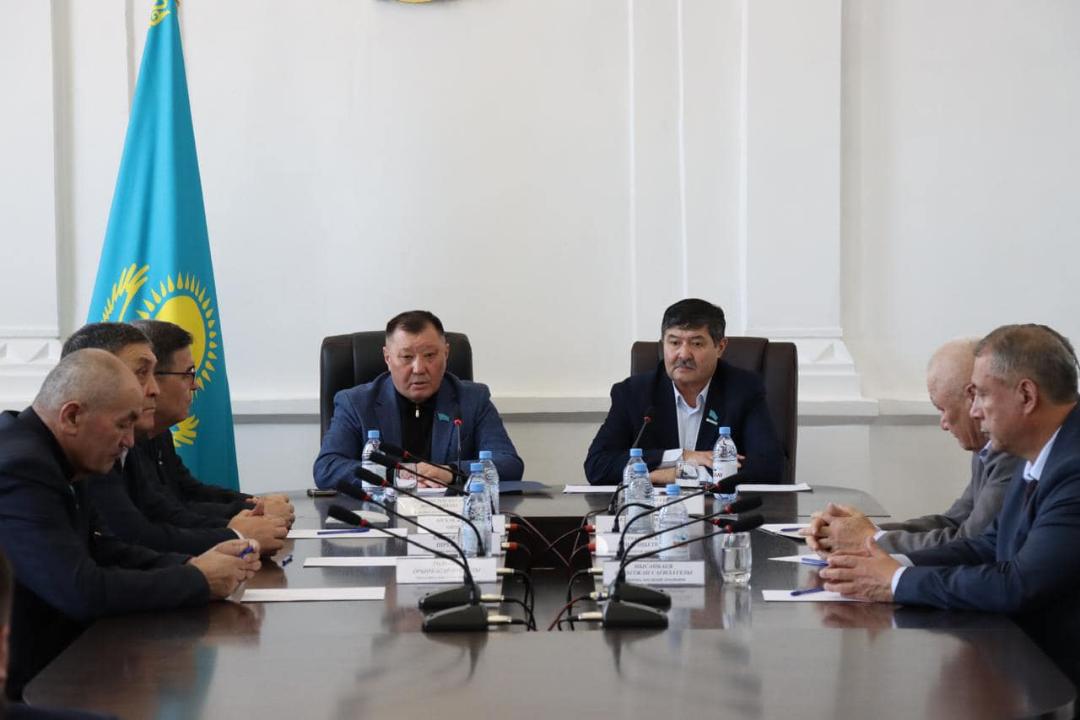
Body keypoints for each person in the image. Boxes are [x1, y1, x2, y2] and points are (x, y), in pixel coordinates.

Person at [819, 324, 1080, 689]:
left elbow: (1021, 584)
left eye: (982, 395)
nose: (975, 411)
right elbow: (986, 545)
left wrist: (896, 581)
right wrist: (883, 563)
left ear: (1026, 395)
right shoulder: (1037, 451)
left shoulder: (1073, 467)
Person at [0, 350, 260, 701]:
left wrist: (193, 562)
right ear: (72, 416)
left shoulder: (58, 452)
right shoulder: (20, 467)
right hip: (29, 688)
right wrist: (198, 579)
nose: (129, 441)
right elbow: (81, 590)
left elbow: (102, 547)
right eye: (123, 424)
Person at [60, 323, 288, 556]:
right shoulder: (84, 451)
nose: (154, 390)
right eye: (142, 373)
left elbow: (166, 509)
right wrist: (236, 535)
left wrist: (248, 514)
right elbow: (133, 536)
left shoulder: (133, 439)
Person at [804, 339, 1021, 554]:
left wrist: (869, 538)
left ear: (972, 397)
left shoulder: (1010, 451)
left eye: (943, 409)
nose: (943, 424)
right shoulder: (984, 448)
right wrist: (859, 531)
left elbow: (969, 541)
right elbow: (953, 521)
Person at [314, 310, 524, 489]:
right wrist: (395, 474)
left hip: (454, 515)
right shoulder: (355, 403)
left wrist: (451, 472)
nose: (419, 368)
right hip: (382, 515)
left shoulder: (473, 399)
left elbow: (509, 463)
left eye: (430, 355)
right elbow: (327, 468)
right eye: (407, 357)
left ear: (446, 353)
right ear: (388, 358)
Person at [584, 298, 783, 486]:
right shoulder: (633, 393)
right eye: (674, 343)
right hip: (651, 507)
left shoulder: (743, 390)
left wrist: (678, 474)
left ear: (720, 347)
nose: (684, 354)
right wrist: (683, 457)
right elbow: (597, 466)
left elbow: (769, 467)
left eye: (696, 344)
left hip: (720, 507)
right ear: (663, 344)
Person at [130, 319, 294, 525]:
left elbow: (190, 491)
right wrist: (252, 514)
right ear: (152, 378)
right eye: (188, 374)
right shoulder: (124, 443)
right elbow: (165, 515)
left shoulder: (159, 433)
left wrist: (256, 503)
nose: (196, 385)